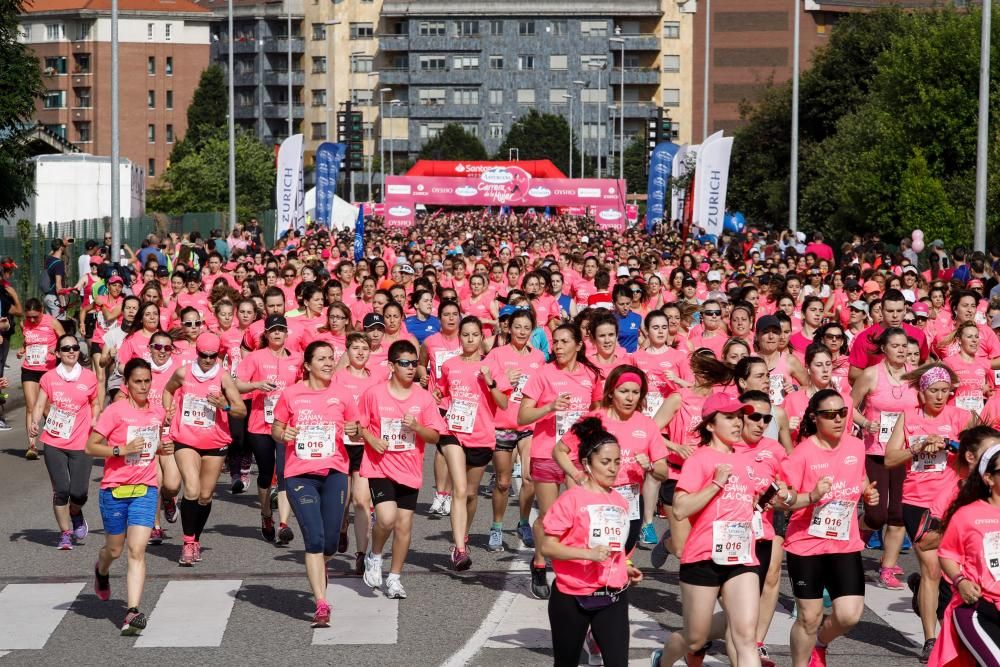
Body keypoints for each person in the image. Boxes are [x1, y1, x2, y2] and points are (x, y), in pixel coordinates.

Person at [651, 394, 764, 667]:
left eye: (740, 417)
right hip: (703, 555)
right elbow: (679, 509)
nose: (738, 423)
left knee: (747, 638)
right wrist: (715, 485)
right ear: (711, 425)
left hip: (741, 556)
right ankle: (662, 660)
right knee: (694, 638)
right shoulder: (700, 459)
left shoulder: (749, 459)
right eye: (729, 418)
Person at [884, 363, 978, 662]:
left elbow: (980, 454)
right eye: (933, 391)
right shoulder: (909, 418)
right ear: (921, 393)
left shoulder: (962, 417)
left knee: (953, 569)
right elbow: (889, 458)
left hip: (953, 500)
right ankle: (930, 638)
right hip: (917, 502)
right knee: (932, 569)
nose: (939, 397)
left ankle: (938, 608)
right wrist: (918, 448)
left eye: (944, 391)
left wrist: (951, 445)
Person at [781, 389, 880, 667]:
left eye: (842, 413)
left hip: (844, 543)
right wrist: (811, 496)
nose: (838, 419)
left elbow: (859, 478)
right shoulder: (801, 454)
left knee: (849, 615)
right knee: (808, 617)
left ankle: (820, 644)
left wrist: (867, 492)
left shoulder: (855, 446)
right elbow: (783, 500)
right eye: (829, 414)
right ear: (814, 418)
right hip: (806, 544)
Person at [541, 416, 644, 667]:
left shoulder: (620, 502)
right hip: (572, 596)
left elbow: (614, 550)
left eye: (617, 462)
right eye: (605, 462)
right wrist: (588, 555)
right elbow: (547, 547)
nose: (613, 468)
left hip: (611, 595)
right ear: (587, 464)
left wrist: (626, 568)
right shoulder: (571, 500)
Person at [271, 341, 355, 627]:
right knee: (315, 539)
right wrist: (284, 434)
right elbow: (276, 428)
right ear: (307, 365)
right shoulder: (292, 394)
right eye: (322, 359)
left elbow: (355, 427)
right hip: (300, 475)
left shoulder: (343, 394)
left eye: (331, 358)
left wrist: (354, 429)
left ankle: (322, 565)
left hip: (334, 472)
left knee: (330, 542)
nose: (329, 363)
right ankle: (321, 603)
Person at [87, 358, 173, 635]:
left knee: (137, 551)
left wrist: (163, 448)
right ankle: (101, 570)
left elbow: (154, 446)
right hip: (114, 489)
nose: (143, 386)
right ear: (127, 383)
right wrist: (119, 450)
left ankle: (132, 611)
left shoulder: (157, 413)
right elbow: (91, 446)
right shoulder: (115, 411)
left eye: (147, 381)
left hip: (145, 489)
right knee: (114, 550)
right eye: (137, 381)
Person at [518, 323, 603, 599]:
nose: (559, 347)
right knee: (549, 516)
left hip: (578, 456)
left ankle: (576, 565)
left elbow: (598, 411)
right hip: (545, 452)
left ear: (579, 345)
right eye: (555, 342)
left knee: (580, 515)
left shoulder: (590, 375)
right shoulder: (543, 374)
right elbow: (522, 417)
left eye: (565, 341)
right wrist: (549, 407)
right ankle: (540, 564)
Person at [357, 340, 446, 599]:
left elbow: (435, 437)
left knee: (404, 526)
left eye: (414, 363)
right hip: (379, 466)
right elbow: (359, 425)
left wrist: (417, 427)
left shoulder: (423, 397)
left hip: (409, 469)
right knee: (385, 518)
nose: (410, 368)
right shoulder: (374, 394)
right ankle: (374, 556)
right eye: (404, 363)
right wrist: (371, 439)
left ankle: (394, 578)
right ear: (391, 365)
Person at [162, 332, 246, 566]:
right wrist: (168, 411)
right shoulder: (183, 372)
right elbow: (167, 390)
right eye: (203, 355)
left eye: (212, 356)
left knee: (205, 495)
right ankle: (188, 542)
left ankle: (195, 538)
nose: (208, 360)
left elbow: (241, 411)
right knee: (191, 489)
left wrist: (225, 406)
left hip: (215, 441)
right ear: (196, 353)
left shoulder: (223, 378)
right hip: (185, 439)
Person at [436, 316, 511, 569]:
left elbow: (502, 403)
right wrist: (436, 395)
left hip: (480, 435)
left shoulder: (491, 366)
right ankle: (459, 548)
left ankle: (463, 536)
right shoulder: (449, 365)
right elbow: (443, 393)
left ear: (481, 337)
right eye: (465, 335)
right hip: (453, 433)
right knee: (459, 490)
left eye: (474, 335)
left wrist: (490, 381)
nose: (469, 339)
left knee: (469, 493)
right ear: (460, 338)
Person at [235, 315, 302, 544]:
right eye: (273, 330)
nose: (277, 333)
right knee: (266, 474)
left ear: (286, 333)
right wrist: (256, 385)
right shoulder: (255, 357)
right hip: (260, 424)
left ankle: (283, 524)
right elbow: (237, 383)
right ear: (265, 333)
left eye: (281, 330)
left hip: (286, 426)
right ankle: (266, 515)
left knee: (285, 474)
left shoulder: (297, 359)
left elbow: (305, 386)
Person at [28, 334, 99, 549]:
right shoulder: (49, 378)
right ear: (57, 353)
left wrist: (95, 417)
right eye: (66, 348)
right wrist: (34, 422)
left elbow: (95, 402)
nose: (71, 351)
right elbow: (40, 404)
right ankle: (65, 533)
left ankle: (75, 512)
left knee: (79, 493)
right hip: (54, 441)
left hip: (81, 442)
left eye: (75, 347)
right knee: (61, 490)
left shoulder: (89, 377)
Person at [932, 442, 1000, 667]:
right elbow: (947, 553)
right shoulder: (968, 515)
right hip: (977, 608)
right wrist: (960, 581)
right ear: (989, 479)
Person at [485, 306, 546, 550]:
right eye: (517, 327)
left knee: (530, 477)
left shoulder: (538, 358)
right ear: (509, 328)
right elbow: (485, 379)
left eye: (527, 328)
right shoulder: (497, 354)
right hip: (503, 425)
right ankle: (497, 527)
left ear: (533, 331)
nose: (521, 332)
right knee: (502, 482)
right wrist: (503, 380)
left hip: (529, 425)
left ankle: (523, 523)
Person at [333, 332, 378, 574]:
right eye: (355, 348)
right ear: (347, 352)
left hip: (365, 447)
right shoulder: (337, 378)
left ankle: (361, 554)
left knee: (362, 501)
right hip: (341, 445)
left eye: (365, 348)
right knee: (343, 500)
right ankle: (342, 527)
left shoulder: (377, 380)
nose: (360, 352)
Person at [20, 297, 66, 459]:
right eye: (29, 316)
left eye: (35, 316)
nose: (32, 320)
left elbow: (64, 338)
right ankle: (32, 445)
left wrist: (56, 347)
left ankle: (58, 438)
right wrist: (22, 350)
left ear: (41, 312)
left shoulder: (51, 322)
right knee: (31, 407)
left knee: (47, 409)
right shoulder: (23, 324)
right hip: (29, 369)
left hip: (48, 370)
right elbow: (27, 342)